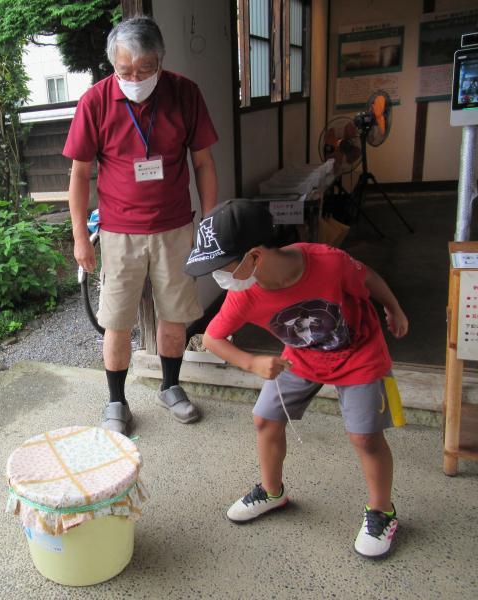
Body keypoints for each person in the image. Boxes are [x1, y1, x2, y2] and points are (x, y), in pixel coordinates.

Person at [188, 199, 408, 559]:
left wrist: (393, 308)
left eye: (223, 266)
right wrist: (252, 363)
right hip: (301, 358)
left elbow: (366, 276)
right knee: (264, 418)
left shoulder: (329, 263)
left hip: (359, 354)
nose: (219, 276)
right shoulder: (244, 296)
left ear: (255, 257)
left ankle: (382, 511)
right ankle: (273, 492)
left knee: (365, 437)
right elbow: (212, 339)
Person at [63, 16, 219, 436]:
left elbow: (203, 162)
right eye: (124, 71)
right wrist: (81, 237)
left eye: (144, 69)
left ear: (161, 61)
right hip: (119, 232)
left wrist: (208, 222)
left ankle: (171, 386)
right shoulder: (95, 101)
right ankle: (116, 402)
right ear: (112, 64)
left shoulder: (185, 93)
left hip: (174, 228)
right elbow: (79, 175)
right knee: (116, 319)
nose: (134, 79)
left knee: (174, 316)